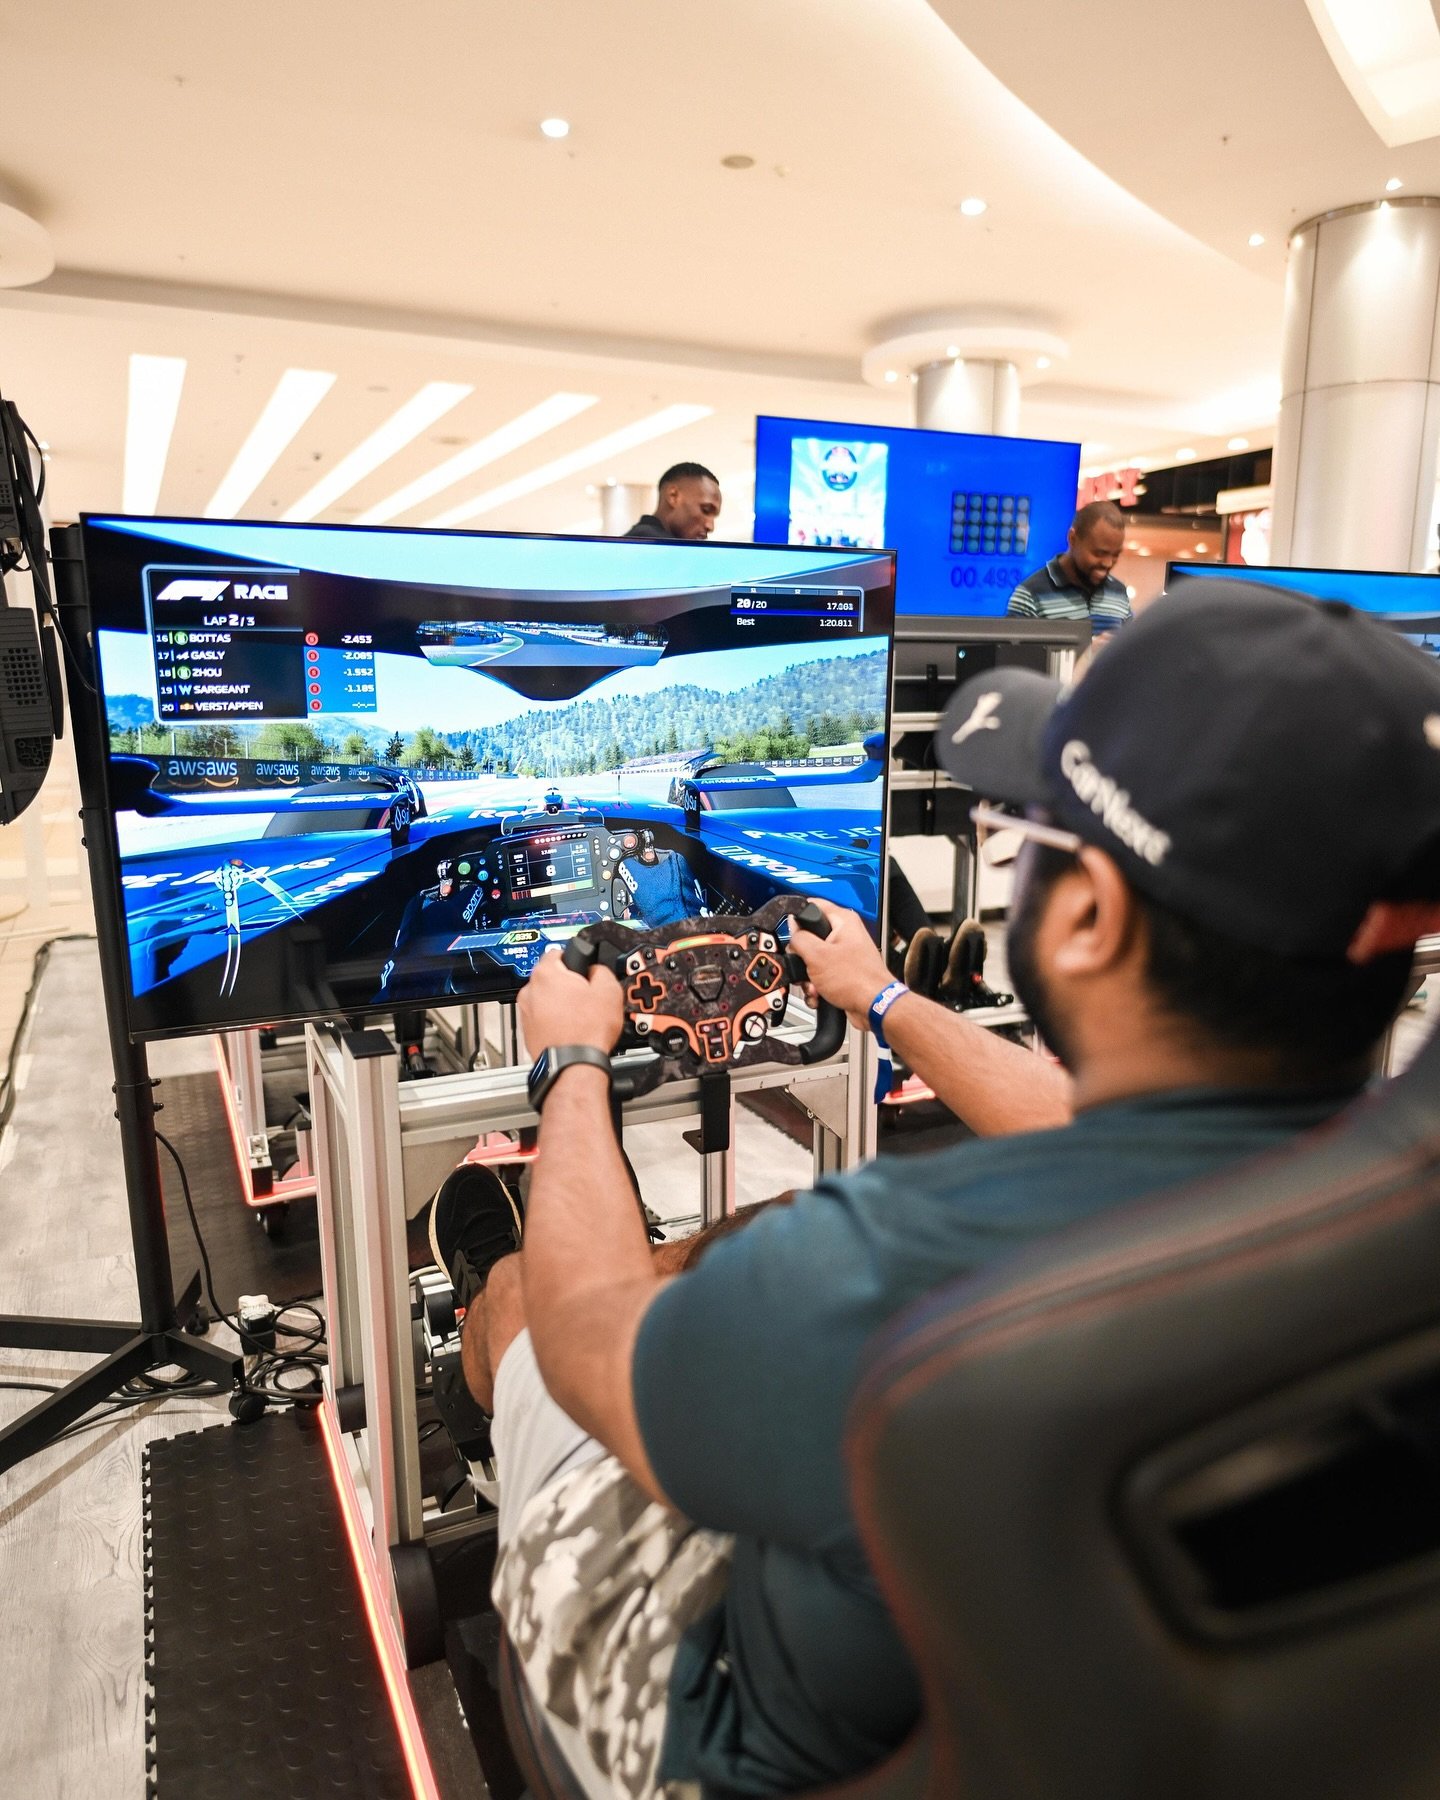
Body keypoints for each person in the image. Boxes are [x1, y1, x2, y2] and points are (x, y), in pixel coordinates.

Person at [427, 581, 1440, 1798]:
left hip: (741, 1731)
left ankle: (480, 1331)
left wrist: (571, 1066)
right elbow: (1115, 1121)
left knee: (538, 1320)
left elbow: (600, 1345)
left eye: (1038, 834)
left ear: (1087, 920)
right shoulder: (1378, 1204)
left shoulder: (892, 1270)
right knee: (735, 1252)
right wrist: (883, 999)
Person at [1007, 498, 1131, 630]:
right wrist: (1087, 648)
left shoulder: (1119, 593)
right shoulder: (1029, 595)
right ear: (1072, 539)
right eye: (1099, 553)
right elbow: (1012, 650)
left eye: (1115, 555)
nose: (1108, 563)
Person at [624, 463, 723, 541]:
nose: (710, 526)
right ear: (673, 496)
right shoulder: (652, 545)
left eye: (714, 516)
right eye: (705, 510)